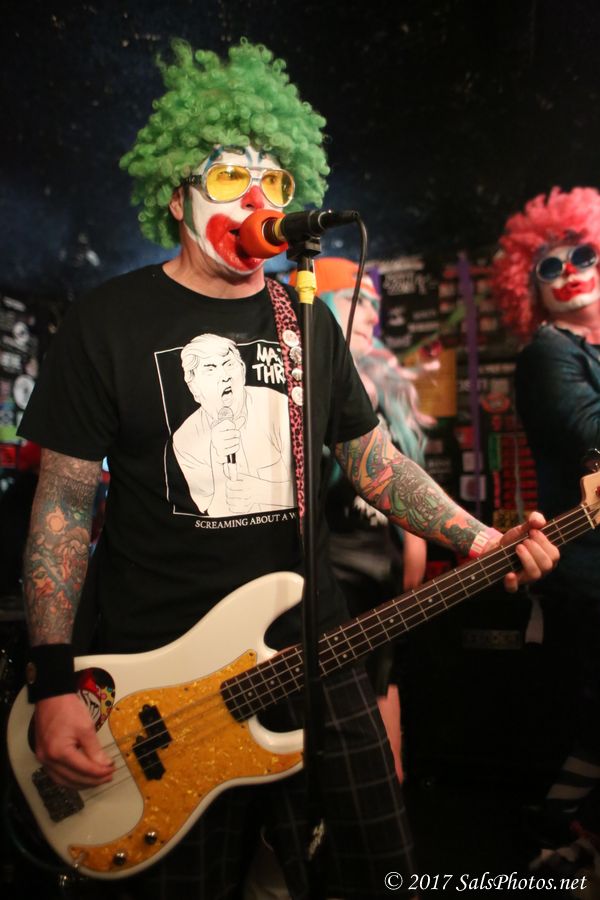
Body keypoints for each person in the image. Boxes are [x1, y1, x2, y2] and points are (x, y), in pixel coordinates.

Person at [18, 38, 558, 900]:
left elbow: (373, 462)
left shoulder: (303, 318)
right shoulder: (106, 321)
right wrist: (53, 681)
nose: (258, 199)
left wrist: (482, 539)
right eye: (231, 177)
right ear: (177, 195)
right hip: (161, 679)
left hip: (314, 650)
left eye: (274, 181)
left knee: (380, 873)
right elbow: (64, 507)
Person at [491, 186, 600, 871]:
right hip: (587, 567)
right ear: (526, 287)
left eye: (583, 255)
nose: (569, 274)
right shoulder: (547, 355)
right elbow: (592, 433)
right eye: (548, 267)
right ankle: (552, 834)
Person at [293, 256, 432, 782]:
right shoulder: (304, 379)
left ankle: (387, 789)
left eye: (375, 303)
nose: (373, 315)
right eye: (358, 301)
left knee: (383, 674)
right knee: (339, 685)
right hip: (328, 558)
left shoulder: (386, 385)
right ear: (324, 304)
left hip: (382, 558)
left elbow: (399, 475)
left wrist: (414, 538)